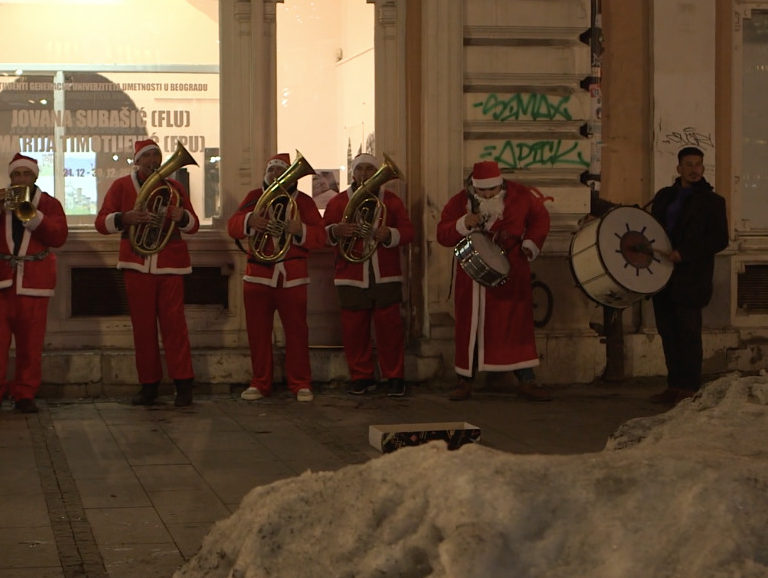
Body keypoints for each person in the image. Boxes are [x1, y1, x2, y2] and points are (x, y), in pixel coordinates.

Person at [436, 161, 552, 401]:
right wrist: (461, 224)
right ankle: (464, 381)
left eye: (492, 190)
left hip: (512, 275)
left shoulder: (521, 195)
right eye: (482, 190)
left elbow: (540, 219)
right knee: (470, 330)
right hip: (472, 278)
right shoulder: (459, 202)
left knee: (515, 328)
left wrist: (530, 243)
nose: (488, 194)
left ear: (501, 184)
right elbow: (442, 234)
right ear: (473, 187)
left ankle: (527, 380)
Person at [95, 139, 199, 407]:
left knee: (175, 327)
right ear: (137, 160)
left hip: (171, 264)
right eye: (148, 156)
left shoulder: (175, 187)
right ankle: (149, 385)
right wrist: (124, 218)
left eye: (157, 155)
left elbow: (193, 225)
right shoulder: (121, 186)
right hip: (137, 264)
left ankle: (184, 384)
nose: (154, 160)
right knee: (142, 329)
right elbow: (101, 223)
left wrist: (181, 216)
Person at [0, 153, 69, 413]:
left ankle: (25, 393)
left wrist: (34, 217)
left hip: (34, 282)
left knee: (31, 344)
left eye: (26, 174)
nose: (21, 179)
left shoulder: (49, 203)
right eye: (16, 174)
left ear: (35, 177)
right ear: (10, 177)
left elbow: (58, 237)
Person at [227, 153, 326, 402]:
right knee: (258, 334)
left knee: (297, 333)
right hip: (258, 275)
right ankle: (260, 383)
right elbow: (232, 227)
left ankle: (301, 383)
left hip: (292, 277)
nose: (275, 175)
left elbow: (320, 238)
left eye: (281, 171)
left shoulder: (303, 201)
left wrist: (299, 230)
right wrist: (250, 220)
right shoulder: (254, 197)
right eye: (271, 170)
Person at [323, 153, 414, 397]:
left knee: (390, 329)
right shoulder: (338, 202)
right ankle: (360, 376)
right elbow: (321, 234)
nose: (364, 173)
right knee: (354, 330)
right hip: (350, 273)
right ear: (352, 173)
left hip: (386, 274)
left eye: (369, 169)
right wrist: (336, 230)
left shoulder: (392, 201)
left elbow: (408, 231)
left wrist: (390, 234)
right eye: (359, 169)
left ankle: (394, 376)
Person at [646, 147, 729, 403]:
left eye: (698, 165)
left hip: (692, 278)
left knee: (689, 334)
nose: (694, 170)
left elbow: (719, 239)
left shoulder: (712, 201)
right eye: (689, 165)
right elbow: (651, 228)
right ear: (679, 168)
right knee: (668, 333)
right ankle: (674, 386)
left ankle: (690, 388)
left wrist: (685, 253)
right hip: (662, 275)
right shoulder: (664, 196)